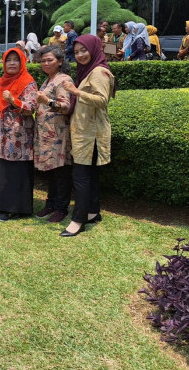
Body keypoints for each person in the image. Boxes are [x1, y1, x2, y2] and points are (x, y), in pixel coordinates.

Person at [60, 34, 115, 237]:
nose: (80, 55)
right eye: (76, 52)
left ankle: (78, 220)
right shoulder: (88, 71)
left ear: (94, 49)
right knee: (89, 176)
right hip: (85, 131)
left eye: (84, 50)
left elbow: (102, 100)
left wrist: (76, 92)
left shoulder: (99, 72)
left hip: (90, 134)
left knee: (81, 177)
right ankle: (93, 212)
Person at [0, 48, 38, 222]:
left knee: (17, 171)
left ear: (22, 62)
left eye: (15, 60)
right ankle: (1, 204)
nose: (11, 63)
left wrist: (13, 100)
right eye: (8, 60)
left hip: (19, 136)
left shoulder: (28, 82)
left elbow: (31, 107)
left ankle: (17, 207)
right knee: (2, 171)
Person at [33, 46, 72, 223]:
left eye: (50, 60)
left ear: (60, 61)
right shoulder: (48, 80)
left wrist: (46, 100)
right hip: (46, 133)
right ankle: (50, 204)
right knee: (51, 170)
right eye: (43, 61)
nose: (46, 63)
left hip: (58, 133)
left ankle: (61, 207)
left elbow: (66, 106)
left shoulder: (63, 80)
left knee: (61, 171)